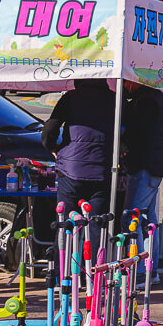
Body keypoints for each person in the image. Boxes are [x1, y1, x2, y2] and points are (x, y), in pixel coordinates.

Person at [43, 78, 119, 243]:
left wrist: (53, 148)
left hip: (70, 170)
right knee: (97, 227)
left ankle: (63, 268)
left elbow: (50, 129)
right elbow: (126, 129)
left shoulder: (71, 97)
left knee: (67, 226)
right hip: (102, 169)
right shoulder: (114, 99)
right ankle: (94, 268)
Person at [123, 78, 163, 278]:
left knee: (132, 219)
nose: (124, 85)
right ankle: (151, 269)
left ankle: (141, 272)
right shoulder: (155, 97)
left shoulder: (146, 102)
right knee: (149, 222)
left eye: (126, 82)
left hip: (144, 166)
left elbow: (136, 134)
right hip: (154, 166)